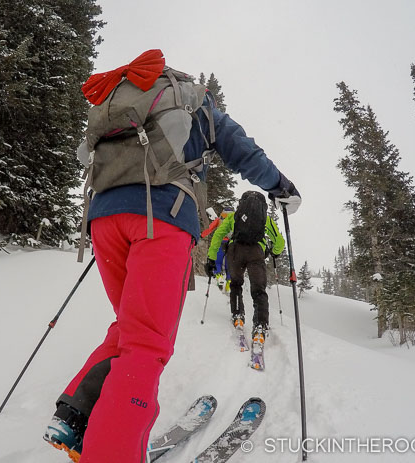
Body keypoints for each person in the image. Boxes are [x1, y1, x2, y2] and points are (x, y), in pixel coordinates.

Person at [43, 49, 301, 463]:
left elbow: (84, 156)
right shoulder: (196, 100)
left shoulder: (119, 102)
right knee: (146, 344)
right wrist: (282, 186)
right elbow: (241, 151)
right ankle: (113, 453)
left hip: (104, 219)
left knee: (131, 326)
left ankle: (75, 415)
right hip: (160, 221)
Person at [205, 191, 285, 346]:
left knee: (235, 284)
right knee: (259, 291)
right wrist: (272, 252)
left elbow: (218, 235)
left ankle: (238, 316)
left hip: (235, 251)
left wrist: (211, 258)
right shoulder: (265, 219)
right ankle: (260, 326)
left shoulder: (234, 217)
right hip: (256, 253)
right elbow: (280, 242)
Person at [201, 206, 234, 292]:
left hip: (220, 242)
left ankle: (219, 276)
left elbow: (210, 228)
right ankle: (229, 282)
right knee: (229, 264)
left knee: (217, 262)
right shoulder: (234, 219)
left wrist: (201, 235)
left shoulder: (220, 219)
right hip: (231, 244)